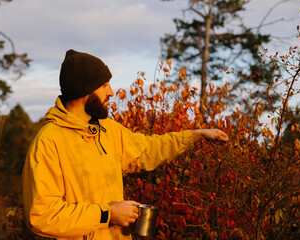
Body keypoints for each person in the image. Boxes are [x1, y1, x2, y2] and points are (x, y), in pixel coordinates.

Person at [22, 49, 229, 240]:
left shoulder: (107, 130)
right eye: (104, 86)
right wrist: (108, 214)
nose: (111, 92)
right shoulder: (48, 142)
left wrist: (195, 135)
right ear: (84, 91)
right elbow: (43, 215)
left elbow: (149, 149)